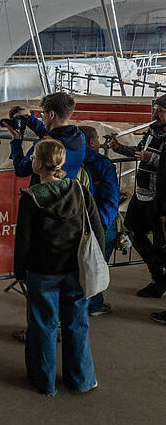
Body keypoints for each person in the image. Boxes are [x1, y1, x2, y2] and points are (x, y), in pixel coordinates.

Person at [14, 139, 102, 395]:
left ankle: (45, 381)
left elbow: (24, 240)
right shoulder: (79, 190)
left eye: (32, 158)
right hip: (76, 268)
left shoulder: (31, 198)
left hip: (43, 271)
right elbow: (96, 227)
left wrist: (20, 270)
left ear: (40, 164)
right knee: (77, 324)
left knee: (43, 325)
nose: (30, 161)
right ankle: (82, 379)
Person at [107, 97, 166, 320]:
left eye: (160, 111)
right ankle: (158, 271)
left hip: (160, 199)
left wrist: (153, 158)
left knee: (162, 243)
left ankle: (159, 280)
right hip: (141, 194)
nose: (155, 114)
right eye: (155, 110)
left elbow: (158, 159)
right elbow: (139, 152)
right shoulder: (152, 131)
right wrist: (119, 147)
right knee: (131, 231)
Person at [79, 125, 120, 316]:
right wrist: (103, 224)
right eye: (96, 140)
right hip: (99, 221)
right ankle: (94, 304)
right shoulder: (102, 163)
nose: (98, 143)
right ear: (91, 142)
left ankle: (77, 303)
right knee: (98, 263)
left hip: (75, 221)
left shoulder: (68, 159)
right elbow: (111, 197)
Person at [7, 91, 85, 187]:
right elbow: (52, 134)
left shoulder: (44, 146)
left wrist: (16, 141)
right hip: (66, 194)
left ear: (52, 114)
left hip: (42, 196)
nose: (42, 118)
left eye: (43, 114)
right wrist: (28, 118)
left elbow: (21, 169)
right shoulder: (80, 137)